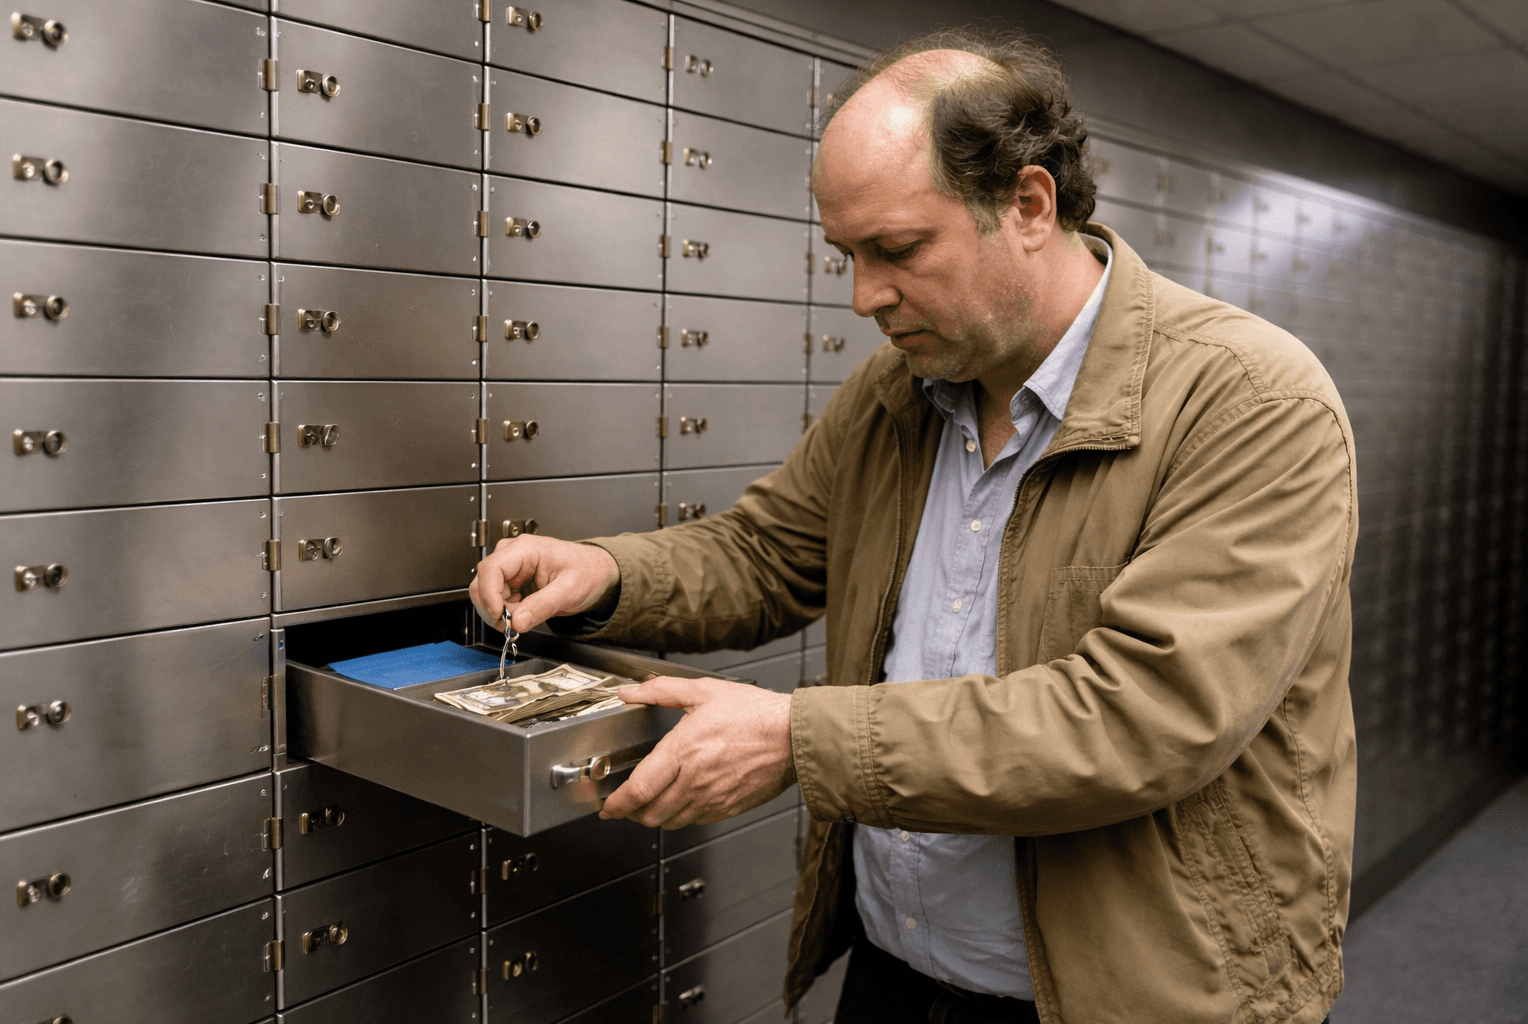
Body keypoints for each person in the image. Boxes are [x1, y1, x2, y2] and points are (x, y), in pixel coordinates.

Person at [470, 26, 1356, 1024]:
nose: (864, 297)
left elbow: (1141, 719)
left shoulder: (1249, 401)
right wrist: (607, 573)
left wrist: (802, 740)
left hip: (1134, 995)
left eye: (896, 250)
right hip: (898, 968)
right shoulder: (901, 391)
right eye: (847, 254)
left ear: (1028, 203)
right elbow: (767, 552)